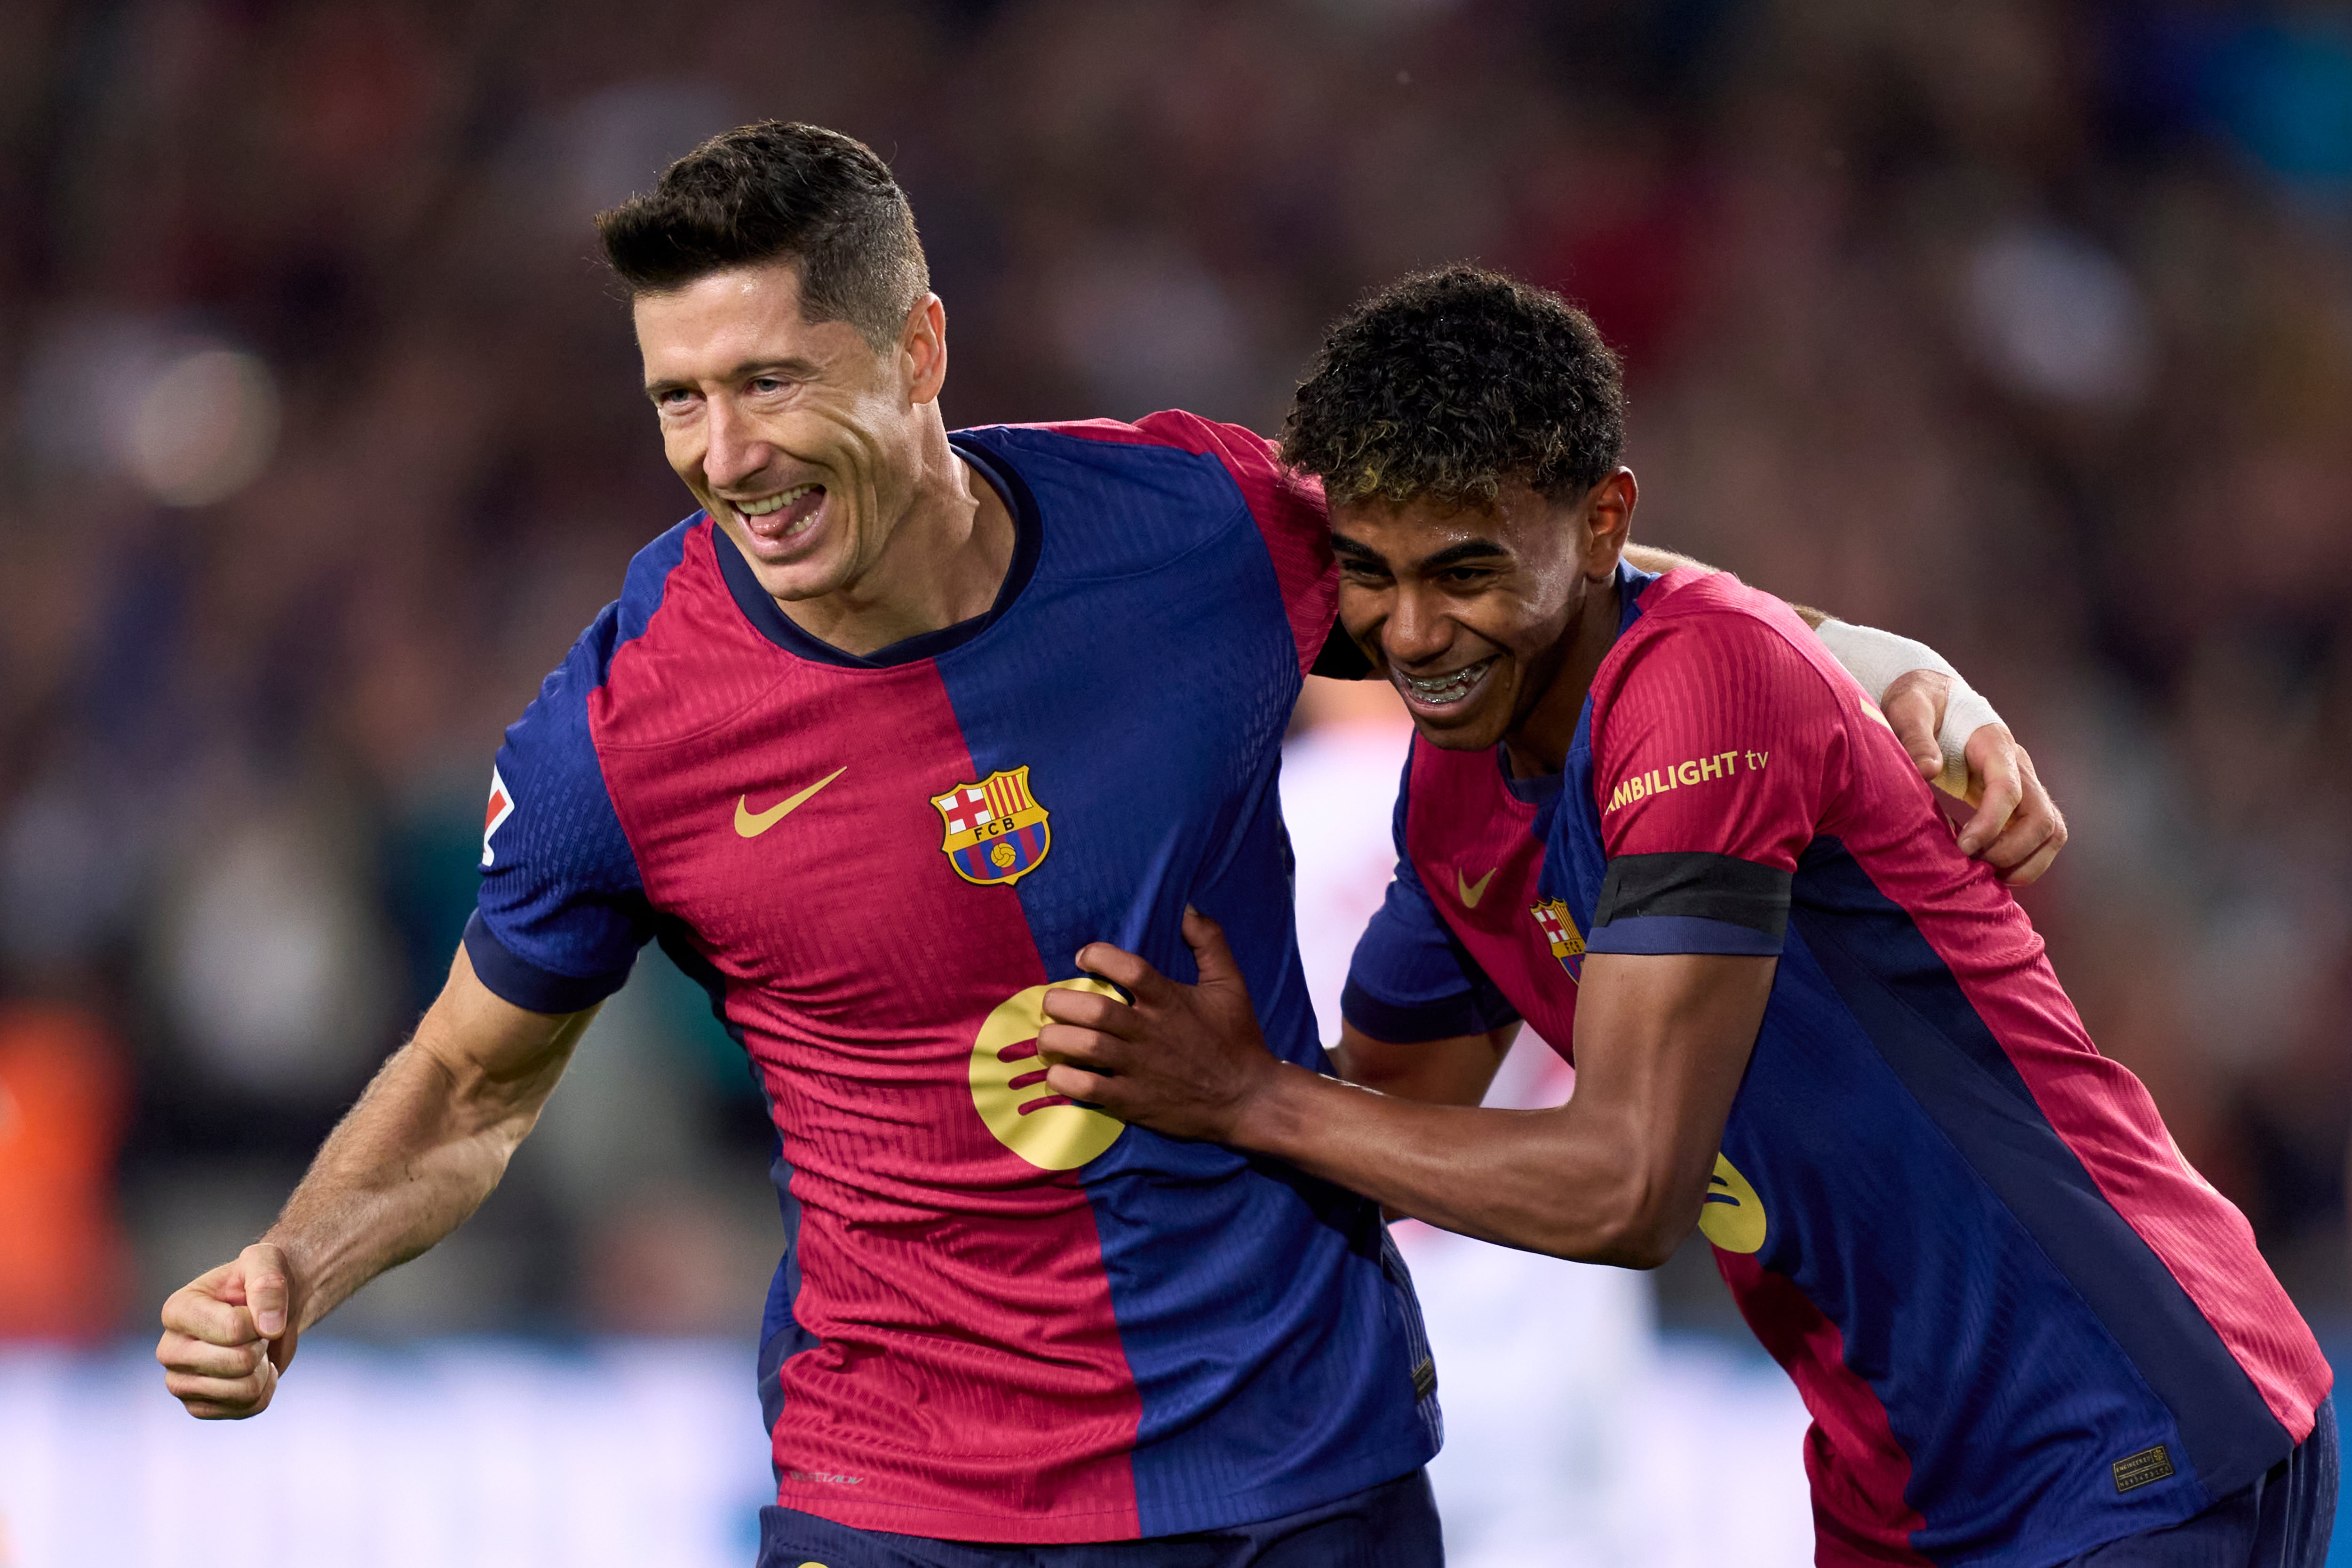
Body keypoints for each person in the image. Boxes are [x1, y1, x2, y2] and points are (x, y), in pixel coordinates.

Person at [154, 127, 2054, 1564]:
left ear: (915, 352)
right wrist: (292, 1273)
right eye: (678, 398)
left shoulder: (1193, 533)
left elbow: (1547, 595)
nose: (723, 452)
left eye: (769, 382)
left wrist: (1883, 668)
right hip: (902, 1502)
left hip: (1297, 1470)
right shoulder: (623, 733)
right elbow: (470, 1090)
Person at [1038, 267, 2336, 1567]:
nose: (1416, 634)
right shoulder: (1452, 793)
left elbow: (1632, 1185)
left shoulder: (1702, 692)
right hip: (1910, 1489)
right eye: (1373, 576)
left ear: (1606, 526)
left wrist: (1252, 1097)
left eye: (1467, 570)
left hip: (2125, 1430)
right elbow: (1373, 1130)